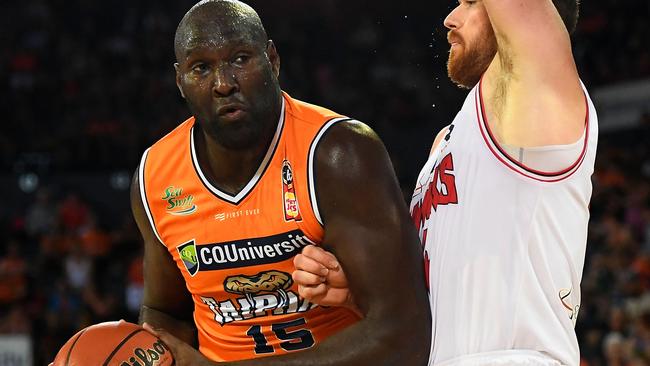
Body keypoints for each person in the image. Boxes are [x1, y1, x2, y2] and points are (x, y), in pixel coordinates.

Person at [293, 0, 598, 365]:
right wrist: (360, 294)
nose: (450, 19)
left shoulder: (538, 92)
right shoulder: (447, 140)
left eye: (471, 4)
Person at [131, 0, 431, 365]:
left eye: (240, 59)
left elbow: (404, 333)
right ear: (180, 81)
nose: (224, 83)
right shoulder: (155, 177)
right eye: (201, 68)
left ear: (272, 60)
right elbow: (164, 313)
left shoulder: (338, 154)